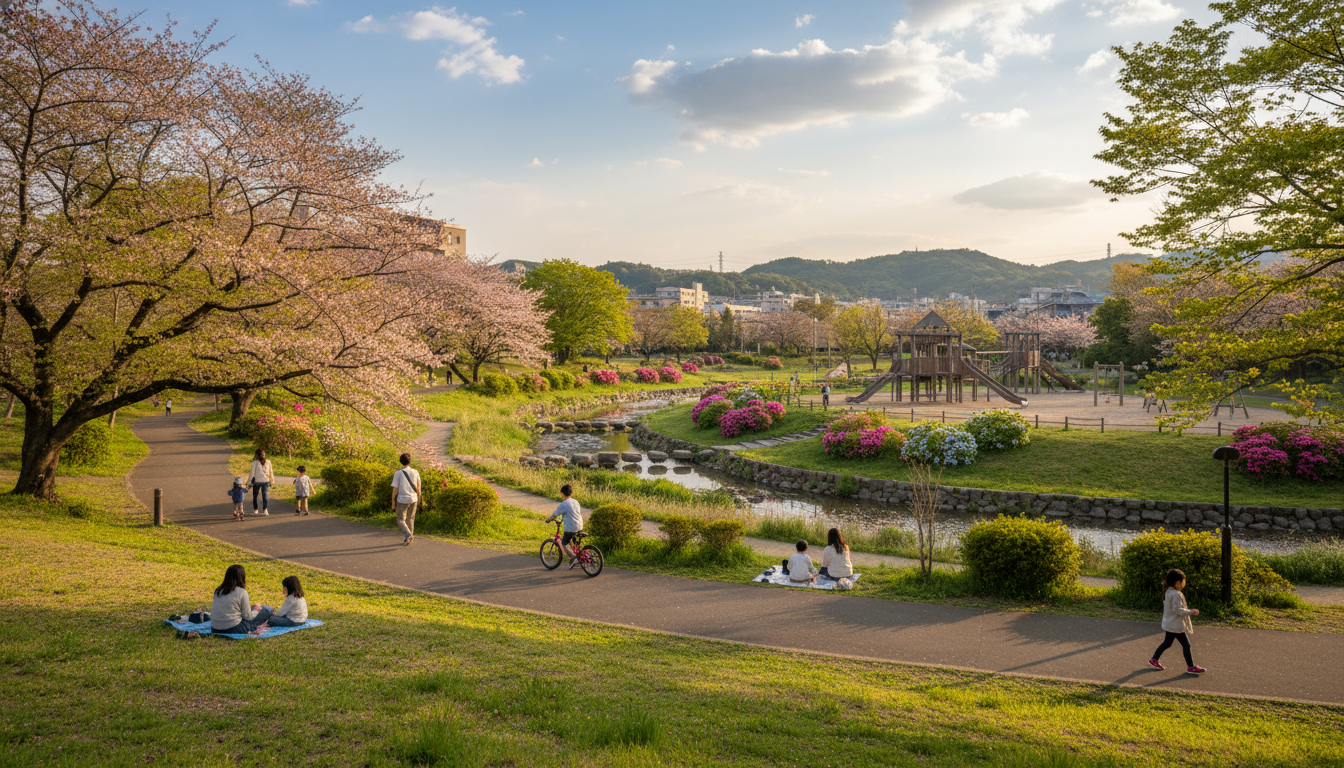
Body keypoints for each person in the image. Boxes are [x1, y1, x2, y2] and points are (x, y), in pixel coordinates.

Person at [1149, 569, 1205, 674]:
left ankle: (1154, 659)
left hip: (1170, 624)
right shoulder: (1176, 594)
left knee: (1167, 643)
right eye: (1184, 581)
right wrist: (1191, 612)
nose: (1184, 583)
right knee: (1186, 645)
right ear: (1177, 583)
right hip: (1175, 625)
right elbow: (1178, 610)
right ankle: (1191, 667)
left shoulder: (1169, 591)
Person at [210, 564, 272, 634]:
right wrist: (257, 610)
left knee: (252, 608)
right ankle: (257, 625)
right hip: (234, 629)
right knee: (267, 609)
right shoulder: (242, 592)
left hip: (215, 629)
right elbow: (248, 617)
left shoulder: (218, 590)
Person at [544, 484, 584, 569]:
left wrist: (548, 520)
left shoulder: (564, 504)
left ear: (562, 493)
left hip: (571, 527)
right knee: (574, 542)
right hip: (580, 525)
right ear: (571, 493)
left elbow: (554, 515)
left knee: (564, 543)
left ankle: (573, 558)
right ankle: (579, 557)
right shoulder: (576, 502)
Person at [391, 452, 421, 546]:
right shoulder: (415, 472)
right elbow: (418, 487)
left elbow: (395, 489)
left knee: (400, 520)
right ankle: (409, 538)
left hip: (402, 500)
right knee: (410, 519)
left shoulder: (398, 473)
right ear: (410, 461)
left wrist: (393, 501)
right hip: (414, 498)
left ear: (401, 461)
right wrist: (419, 497)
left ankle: (408, 535)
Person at [249, 449, 274, 516]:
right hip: (266, 481)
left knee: (255, 496)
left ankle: (255, 509)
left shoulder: (254, 463)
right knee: (264, 496)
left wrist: (249, 483)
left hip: (257, 481)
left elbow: (252, 474)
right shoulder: (268, 462)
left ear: (256, 455)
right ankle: (265, 510)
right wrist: (272, 481)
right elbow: (271, 472)